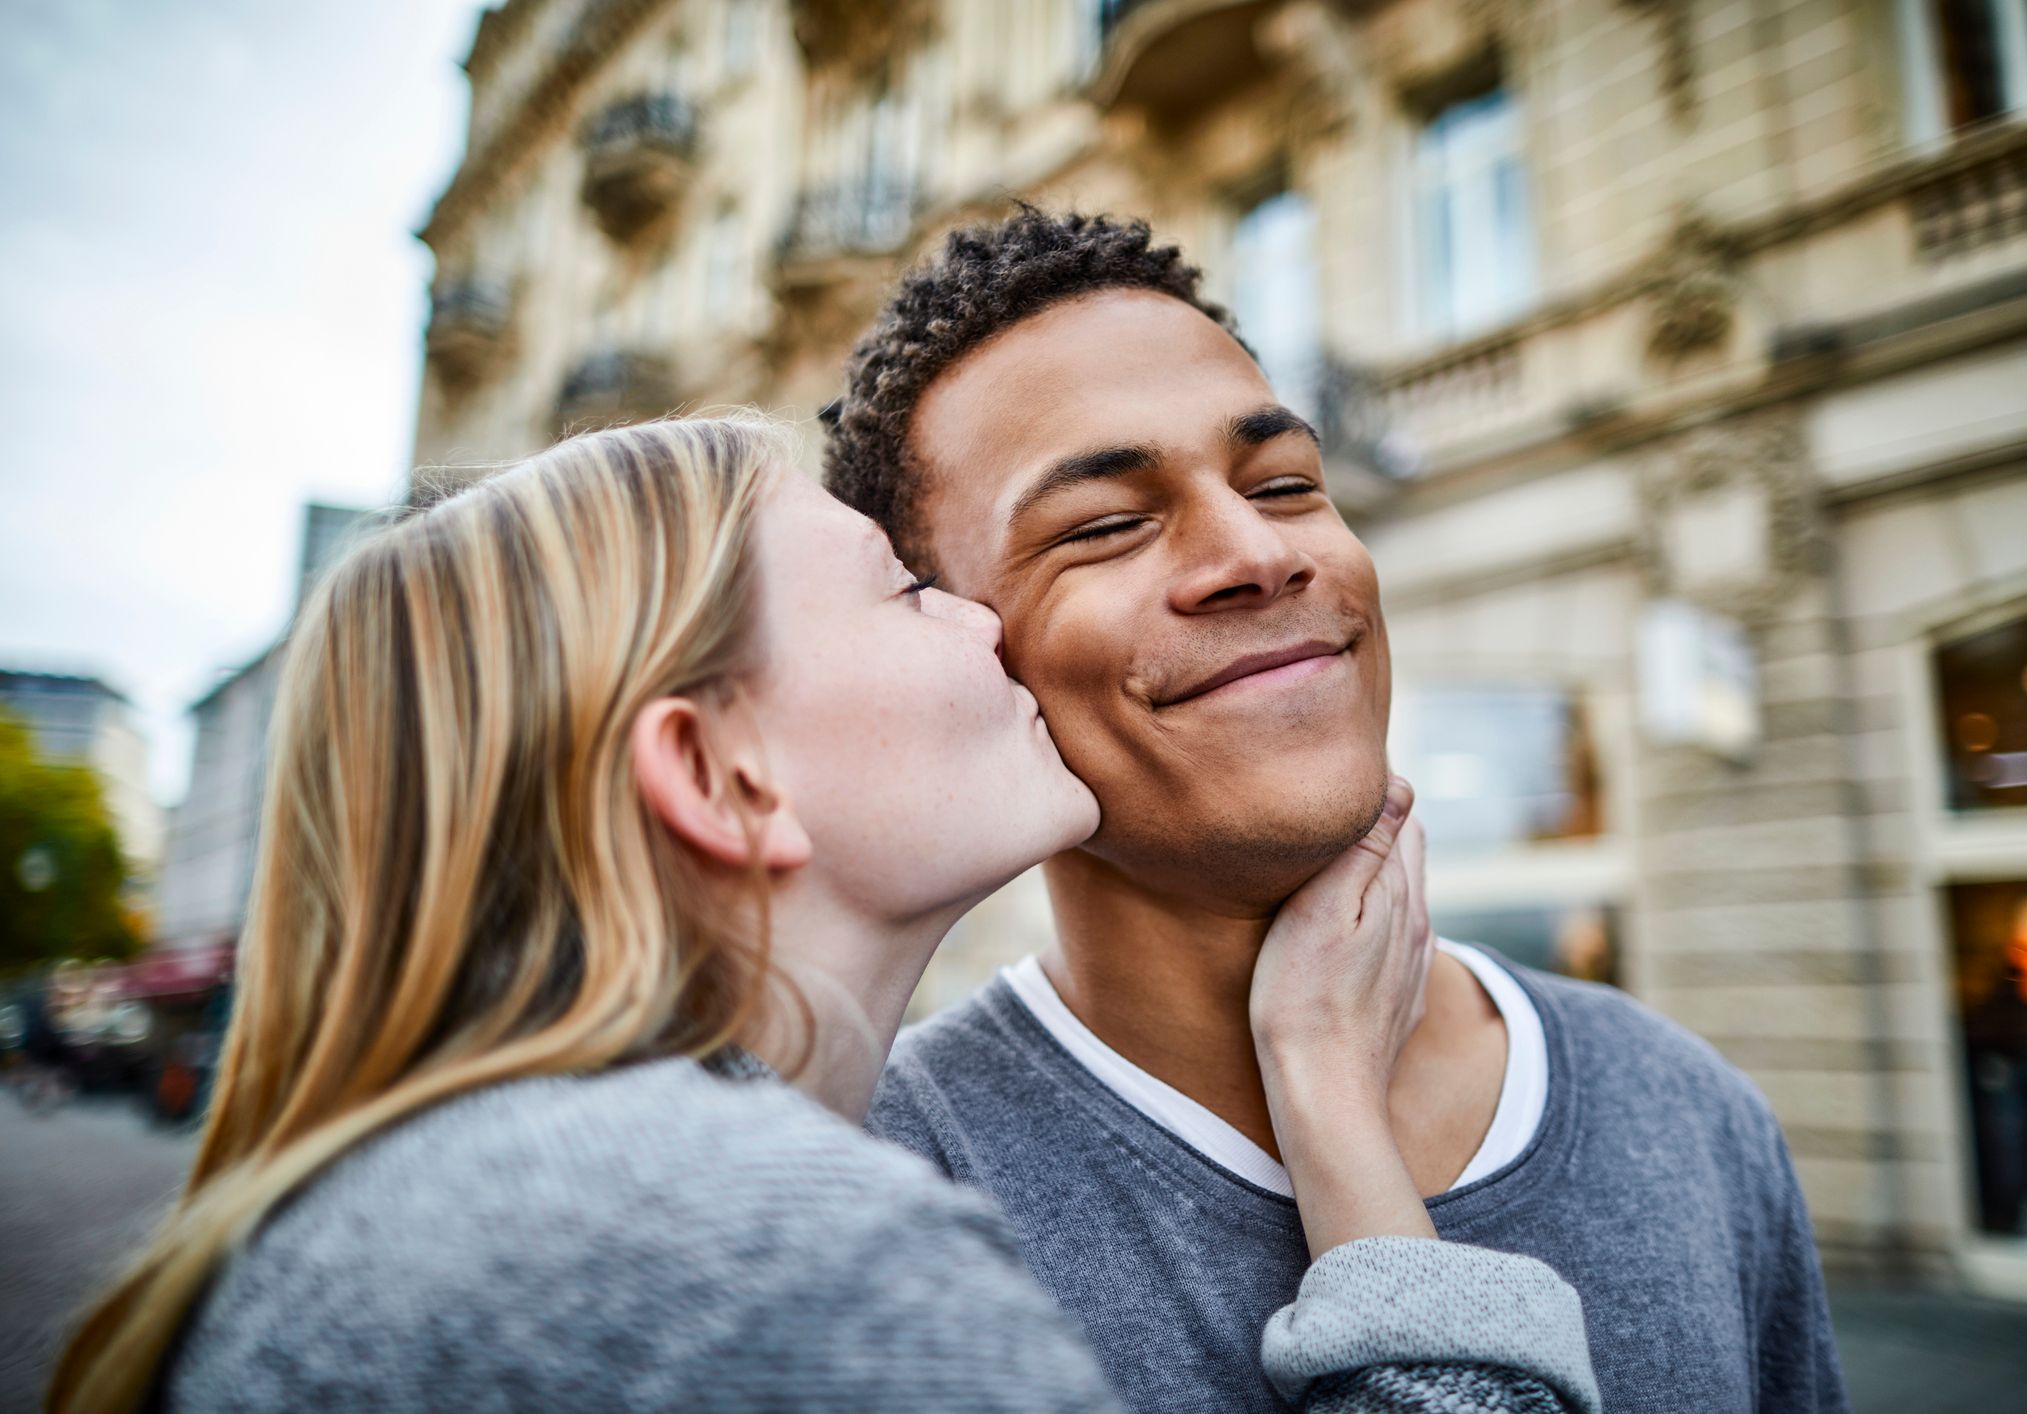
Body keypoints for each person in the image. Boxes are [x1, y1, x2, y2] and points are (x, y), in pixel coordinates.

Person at [49, 416, 1600, 1414]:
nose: (987, 616)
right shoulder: (752, 1263)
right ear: (722, 773)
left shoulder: (467, 1189)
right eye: (903, 589)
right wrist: (1338, 1112)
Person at [825, 209, 1850, 1414]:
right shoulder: (870, 1192)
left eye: (1288, 483)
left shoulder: (1681, 1101)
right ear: (958, 656)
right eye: (1105, 525)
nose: (1256, 549)